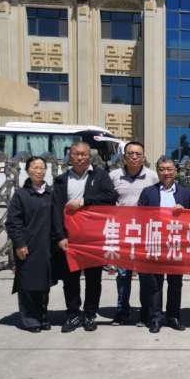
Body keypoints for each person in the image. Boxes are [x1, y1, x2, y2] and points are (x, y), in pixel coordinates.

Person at [52, 141, 116, 333]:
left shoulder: (101, 175)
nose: (80, 158)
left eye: (84, 154)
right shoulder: (61, 180)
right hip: (69, 238)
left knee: (94, 279)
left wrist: (84, 201)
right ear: (69, 156)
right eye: (76, 154)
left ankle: (89, 314)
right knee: (70, 280)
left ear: (90, 156)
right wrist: (60, 236)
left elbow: (110, 197)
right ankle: (73, 315)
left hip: (93, 237)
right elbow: (56, 210)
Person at [137, 157, 190, 333]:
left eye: (169, 169)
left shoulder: (185, 193)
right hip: (155, 243)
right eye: (162, 169)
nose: (166, 172)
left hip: (177, 244)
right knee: (154, 284)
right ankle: (156, 318)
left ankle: (173, 317)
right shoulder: (148, 192)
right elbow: (140, 217)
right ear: (157, 171)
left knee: (175, 283)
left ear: (175, 171)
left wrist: (184, 212)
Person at [109, 141, 159, 327]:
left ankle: (145, 311)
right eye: (130, 153)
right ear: (124, 156)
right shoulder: (114, 176)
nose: (134, 157)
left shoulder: (153, 176)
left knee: (145, 274)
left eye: (138, 154)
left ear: (144, 157)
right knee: (123, 273)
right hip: (123, 232)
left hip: (146, 233)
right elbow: (107, 201)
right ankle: (122, 310)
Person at [5, 156, 55, 333]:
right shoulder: (21, 194)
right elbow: (13, 223)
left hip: (47, 247)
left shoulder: (51, 192)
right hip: (27, 247)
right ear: (27, 170)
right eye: (34, 168)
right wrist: (19, 244)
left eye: (42, 168)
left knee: (43, 285)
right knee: (28, 284)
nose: (38, 171)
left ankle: (43, 317)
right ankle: (31, 320)